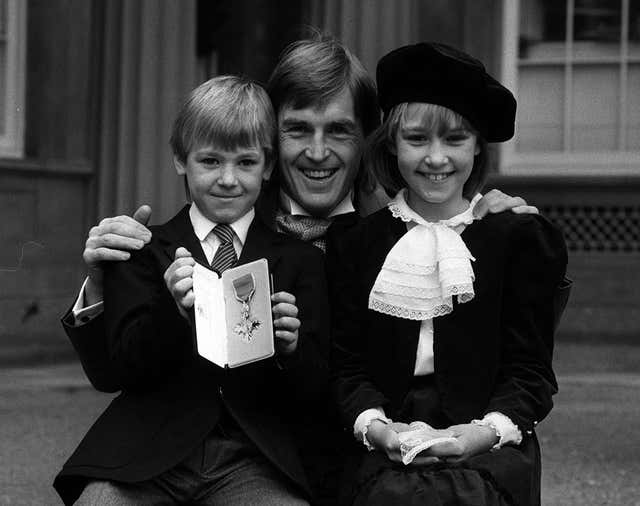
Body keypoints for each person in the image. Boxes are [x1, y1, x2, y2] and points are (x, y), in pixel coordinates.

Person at [60, 36, 539, 505]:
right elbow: (118, 364)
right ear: (270, 141)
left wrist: (484, 223)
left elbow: (501, 352)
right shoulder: (231, 206)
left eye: (339, 131)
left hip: (335, 462)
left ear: (369, 139)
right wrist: (100, 283)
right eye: (297, 129)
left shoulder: (393, 239)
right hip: (190, 453)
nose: (316, 151)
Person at [54, 76, 329, 505]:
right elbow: (118, 372)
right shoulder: (145, 249)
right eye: (210, 161)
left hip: (250, 457)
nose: (227, 179)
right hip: (147, 453)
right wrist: (170, 310)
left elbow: (314, 390)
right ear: (181, 160)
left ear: (268, 166)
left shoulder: (299, 261)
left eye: (245, 162)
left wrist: (291, 350)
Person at [326, 42, 568, 506]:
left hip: (484, 441)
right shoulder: (356, 244)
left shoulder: (514, 239)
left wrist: (480, 435)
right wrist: (379, 431)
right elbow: (347, 369)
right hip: (386, 436)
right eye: (417, 139)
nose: (436, 159)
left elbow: (530, 374)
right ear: (392, 142)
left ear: (478, 144)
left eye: (454, 139)